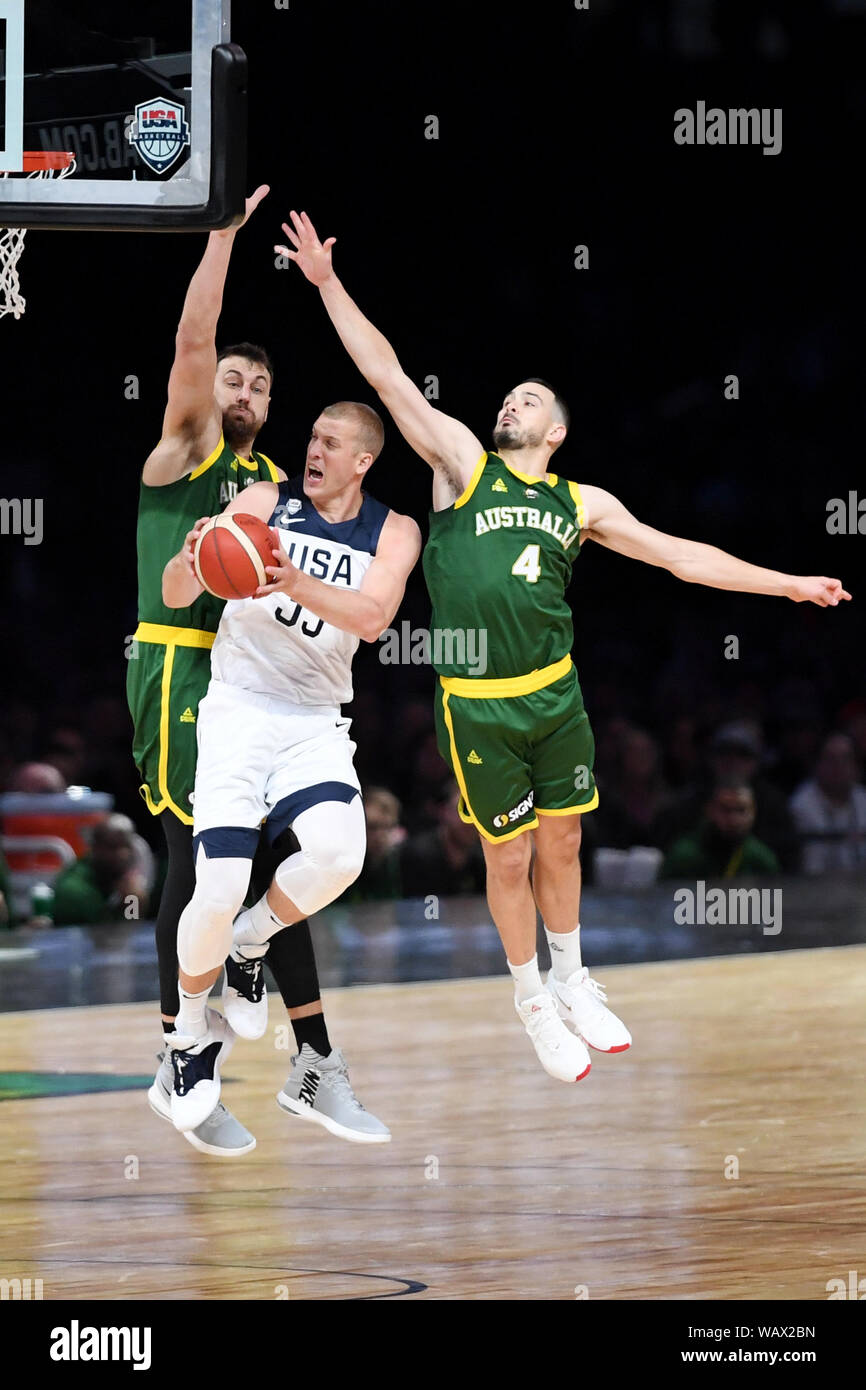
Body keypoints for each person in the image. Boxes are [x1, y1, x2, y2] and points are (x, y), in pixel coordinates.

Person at [278, 208, 851, 1084]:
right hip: (477, 705)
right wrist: (327, 285)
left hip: (555, 693)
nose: (513, 401)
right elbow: (388, 378)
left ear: (556, 433)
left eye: (531, 402)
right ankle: (531, 996)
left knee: (564, 846)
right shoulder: (463, 464)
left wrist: (785, 583)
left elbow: (680, 557)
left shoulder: (580, 502)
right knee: (504, 857)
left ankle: (575, 978)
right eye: (511, 395)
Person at [126, 188, 382, 1156]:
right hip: (179, 673)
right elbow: (192, 346)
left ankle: (312, 1055)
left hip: (265, 685)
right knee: (198, 869)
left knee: (283, 866)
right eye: (235, 380)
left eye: (258, 387)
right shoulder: (185, 452)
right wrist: (221, 240)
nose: (243, 395)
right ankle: (179, 1056)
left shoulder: (277, 485)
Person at [161, 399, 421, 1133]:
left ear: (362, 461)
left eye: (331, 443)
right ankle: (186, 1038)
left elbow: (374, 621)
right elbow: (175, 595)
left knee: (342, 852)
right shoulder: (267, 502)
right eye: (312, 436)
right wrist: (190, 560)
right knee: (214, 883)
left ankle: (253, 939)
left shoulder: (394, 530)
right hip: (240, 707)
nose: (314, 449)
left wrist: (292, 581)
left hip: (312, 719)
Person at [660, 780, 780, 878]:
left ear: (754, 813)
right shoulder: (683, 857)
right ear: (709, 810)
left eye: (741, 810)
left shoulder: (761, 860)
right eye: (725, 809)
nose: (733, 819)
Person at [52, 815, 152, 924]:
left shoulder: (122, 881)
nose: (122, 854)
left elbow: (131, 931)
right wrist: (133, 903)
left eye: (126, 846)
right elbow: (107, 933)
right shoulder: (74, 890)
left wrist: (133, 900)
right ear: (95, 848)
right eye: (112, 847)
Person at [789, 732, 866, 875]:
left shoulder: (863, 800)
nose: (838, 766)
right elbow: (810, 869)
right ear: (816, 764)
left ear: (857, 767)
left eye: (846, 759)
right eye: (830, 759)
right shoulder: (800, 806)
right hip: (816, 890)